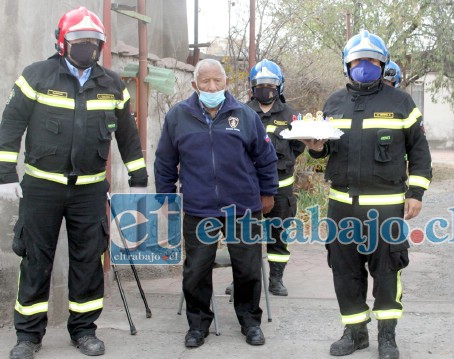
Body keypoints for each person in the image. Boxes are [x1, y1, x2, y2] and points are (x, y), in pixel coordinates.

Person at [0, 7, 148, 359]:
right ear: (62, 42)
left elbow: (127, 135)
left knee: (88, 260)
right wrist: (5, 175)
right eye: (79, 42)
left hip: (90, 191)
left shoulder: (112, 85)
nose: (88, 48)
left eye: (94, 43)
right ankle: (28, 336)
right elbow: (10, 126)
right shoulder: (36, 76)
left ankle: (83, 330)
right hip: (41, 189)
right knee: (35, 259)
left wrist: (138, 174)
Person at [305, 30, 432, 359]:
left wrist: (416, 192)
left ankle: (387, 336)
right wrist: (316, 149)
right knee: (344, 271)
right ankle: (355, 332)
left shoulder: (401, 102)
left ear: (383, 63)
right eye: (357, 60)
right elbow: (324, 151)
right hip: (342, 205)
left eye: (371, 60)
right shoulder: (334, 103)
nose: (364, 65)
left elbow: (419, 152)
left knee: (388, 271)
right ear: (347, 65)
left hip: (386, 206)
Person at [154, 58, 278, 348]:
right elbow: (165, 161)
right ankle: (198, 325)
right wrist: (166, 196)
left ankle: (250, 322)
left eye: (218, 81)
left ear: (226, 83)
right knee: (196, 269)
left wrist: (268, 193)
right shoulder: (178, 116)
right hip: (199, 208)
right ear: (195, 84)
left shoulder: (245, 115)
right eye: (206, 81)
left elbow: (265, 158)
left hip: (243, 207)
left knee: (247, 268)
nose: (212, 86)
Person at [246, 59, 305, 296]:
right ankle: (242, 278)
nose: (265, 88)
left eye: (271, 84)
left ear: (279, 86)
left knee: (278, 235)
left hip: (281, 190)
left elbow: (299, 147)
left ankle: (276, 279)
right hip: (248, 189)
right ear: (253, 88)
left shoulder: (292, 116)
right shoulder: (242, 113)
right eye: (260, 84)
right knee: (244, 237)